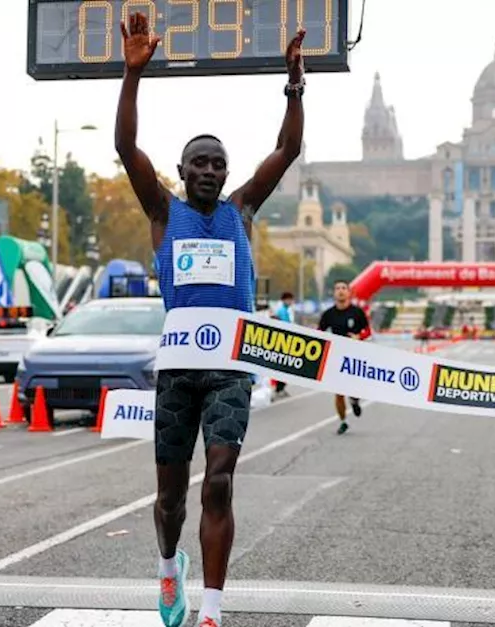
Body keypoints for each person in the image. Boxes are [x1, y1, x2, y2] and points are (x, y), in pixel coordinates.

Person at [114, 12, 306, 627]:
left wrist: (294, 86)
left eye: (218, 163)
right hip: (177, 374)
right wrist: (132, 75)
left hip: (229, 370)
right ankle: (170, 567)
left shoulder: (242, 211)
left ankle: (213, 610)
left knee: (219, 482)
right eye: (199, 162)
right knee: (171, 498)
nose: (210, 170)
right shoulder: (162, 211)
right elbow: (125, 147)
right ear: (182, 171)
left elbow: (288, 149)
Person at [318, 280, 368, 434]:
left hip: (356, 357)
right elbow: (319, 332)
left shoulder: (357, 312)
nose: (340, 291)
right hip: (337, 358)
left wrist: (359, 336)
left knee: (354, 388)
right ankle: (343, 421)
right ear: (334, 293)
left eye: (343, 288)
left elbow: (368, 331)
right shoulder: (328, 314)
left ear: (349, 292)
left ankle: (354, 400)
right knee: (338, 392)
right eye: (337, 288)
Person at [271, 292, 295, 397]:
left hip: (286, 340)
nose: (291, 302)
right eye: (289, 300)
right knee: (284, 366)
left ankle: (280, 388)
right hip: (283, 341)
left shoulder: (286, 310)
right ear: (285, 300)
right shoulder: (281, 311)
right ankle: (279, 388)